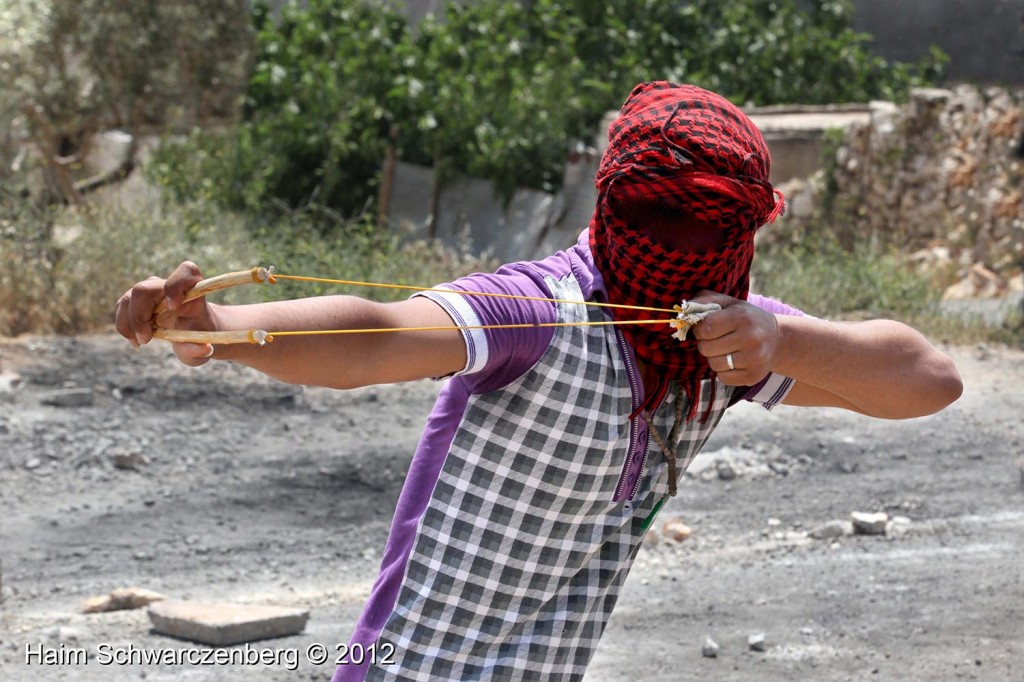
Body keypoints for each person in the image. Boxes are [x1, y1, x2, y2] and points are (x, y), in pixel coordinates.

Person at [115, 81, 963, 682]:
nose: (679, 244)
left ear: (742, 230)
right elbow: (377, 336)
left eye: (706, 225)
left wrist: (785, 340)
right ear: (609, 206)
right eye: (655, 217)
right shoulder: (534, 309)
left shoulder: (726, 340)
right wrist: (219, 330)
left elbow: (928, 381)